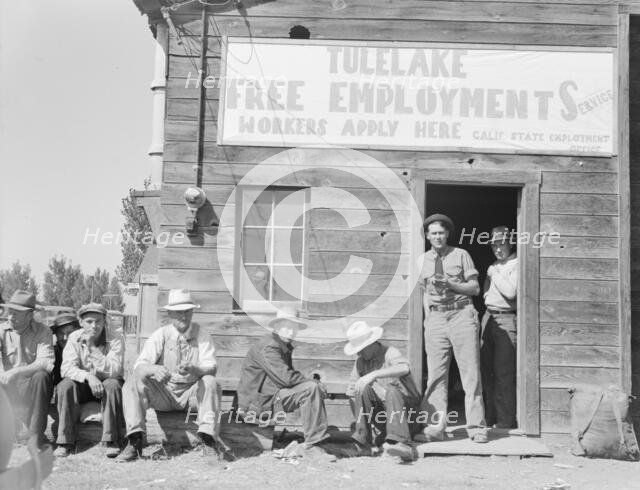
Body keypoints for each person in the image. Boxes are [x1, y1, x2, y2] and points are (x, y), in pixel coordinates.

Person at [116, 289, 223, 462]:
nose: (183, 316)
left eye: (187, 311)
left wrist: (195, 369)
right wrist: (154, 370)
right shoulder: (161, 334)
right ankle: (135, 441)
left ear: (192, 312)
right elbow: (139, 367)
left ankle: (208, 441)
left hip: (191, 394)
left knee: (210, 382)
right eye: (179, 312)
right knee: (132, 382)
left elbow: (211, 368)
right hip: (164, 393)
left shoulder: (202, 334)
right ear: (170, 313)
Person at [419, 214, 488, 443]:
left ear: (447, 234)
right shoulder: (422, 261)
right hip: (436, 319)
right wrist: (428, 318)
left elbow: (475, 288)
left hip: (461, 314)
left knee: (470, 374)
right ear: (428, 236)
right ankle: (435, 427)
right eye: (433, 233)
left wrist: (451, 284)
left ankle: (477, 427)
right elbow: (423, 293)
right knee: (436, 375)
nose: (438, 237)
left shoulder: (461, 255)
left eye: (441, 232)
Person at [236, 305, 331, 455]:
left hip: (269, 397)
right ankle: (313, 444)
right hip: (255, 404)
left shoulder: (282, 345)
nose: (291, 332)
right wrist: (314, 383)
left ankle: (315, 441)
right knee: (311, 388)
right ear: (276, 326)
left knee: (311, 386)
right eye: (286, 327)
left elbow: (285, 379)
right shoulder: (269, 347)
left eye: (294, 328)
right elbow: (286, 378)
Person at [54, 303, 124, 458]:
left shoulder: (115, 338)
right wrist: (88, 376)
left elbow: (114, 371)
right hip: (85, 386)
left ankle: (111, 440)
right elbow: (66, 368)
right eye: (89, 322)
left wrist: (92, 348)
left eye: (98, 321)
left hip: (106, 385)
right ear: (80, 322)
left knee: (112, 385)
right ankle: (65, 441)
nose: (94, 326)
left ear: (104, 321)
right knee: (65, 385)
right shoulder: (74, 337)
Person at [345, 321, 421, 462]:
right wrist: (363, 423)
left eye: (361, 349)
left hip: (408, 416)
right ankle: (363, 443)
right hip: (384, 419)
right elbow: (351, 394)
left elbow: (404, 368)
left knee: (392, 390)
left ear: (371, 343)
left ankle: (403, 444)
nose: (359, 353)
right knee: (361, 388)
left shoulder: (390, 352)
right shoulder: (360, 362)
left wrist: (373, 375)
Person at [0, 290, 54, 448]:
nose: (10, 317)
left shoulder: (43, 331)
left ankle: (35, 437)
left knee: (42, 377)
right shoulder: (1, 330)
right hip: (7, 385)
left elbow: (45, 362)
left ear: (30, 315)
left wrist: (16, 371)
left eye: (16, 314)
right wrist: (3, 374)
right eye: (10, 312)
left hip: (31, 385)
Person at [481, 226, 518, 429]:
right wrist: (487, 297)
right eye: (494, 245)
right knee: (487, 371)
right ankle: (490, 417)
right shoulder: (494, 265)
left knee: (504, 372)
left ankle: (505, 421)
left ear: (510, 243)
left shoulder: (516, 263)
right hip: (488, 317)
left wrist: (494, 274)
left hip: (506, 318)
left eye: (501, 244)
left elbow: (511, 292)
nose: (497, 249)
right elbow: (485, 289)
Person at [50, 312, 81, 387]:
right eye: (61, 333)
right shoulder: (51, 355)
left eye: (70, 333)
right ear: (56, 335)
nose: (65, 337)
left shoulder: (86, 351)